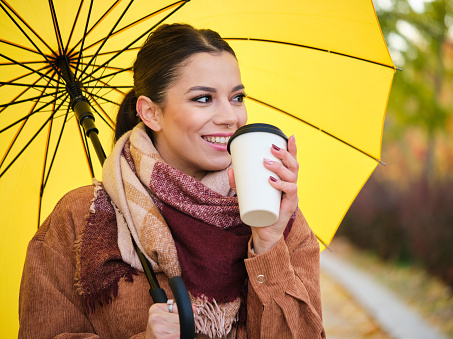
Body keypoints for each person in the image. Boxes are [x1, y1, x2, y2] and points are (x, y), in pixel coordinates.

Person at [18, 23, 325, 339]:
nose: (230, 117)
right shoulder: (81, 217)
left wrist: (268, 244)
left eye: (237, 97)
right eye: (204, 98)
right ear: (150, 113)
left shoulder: (277, 213)